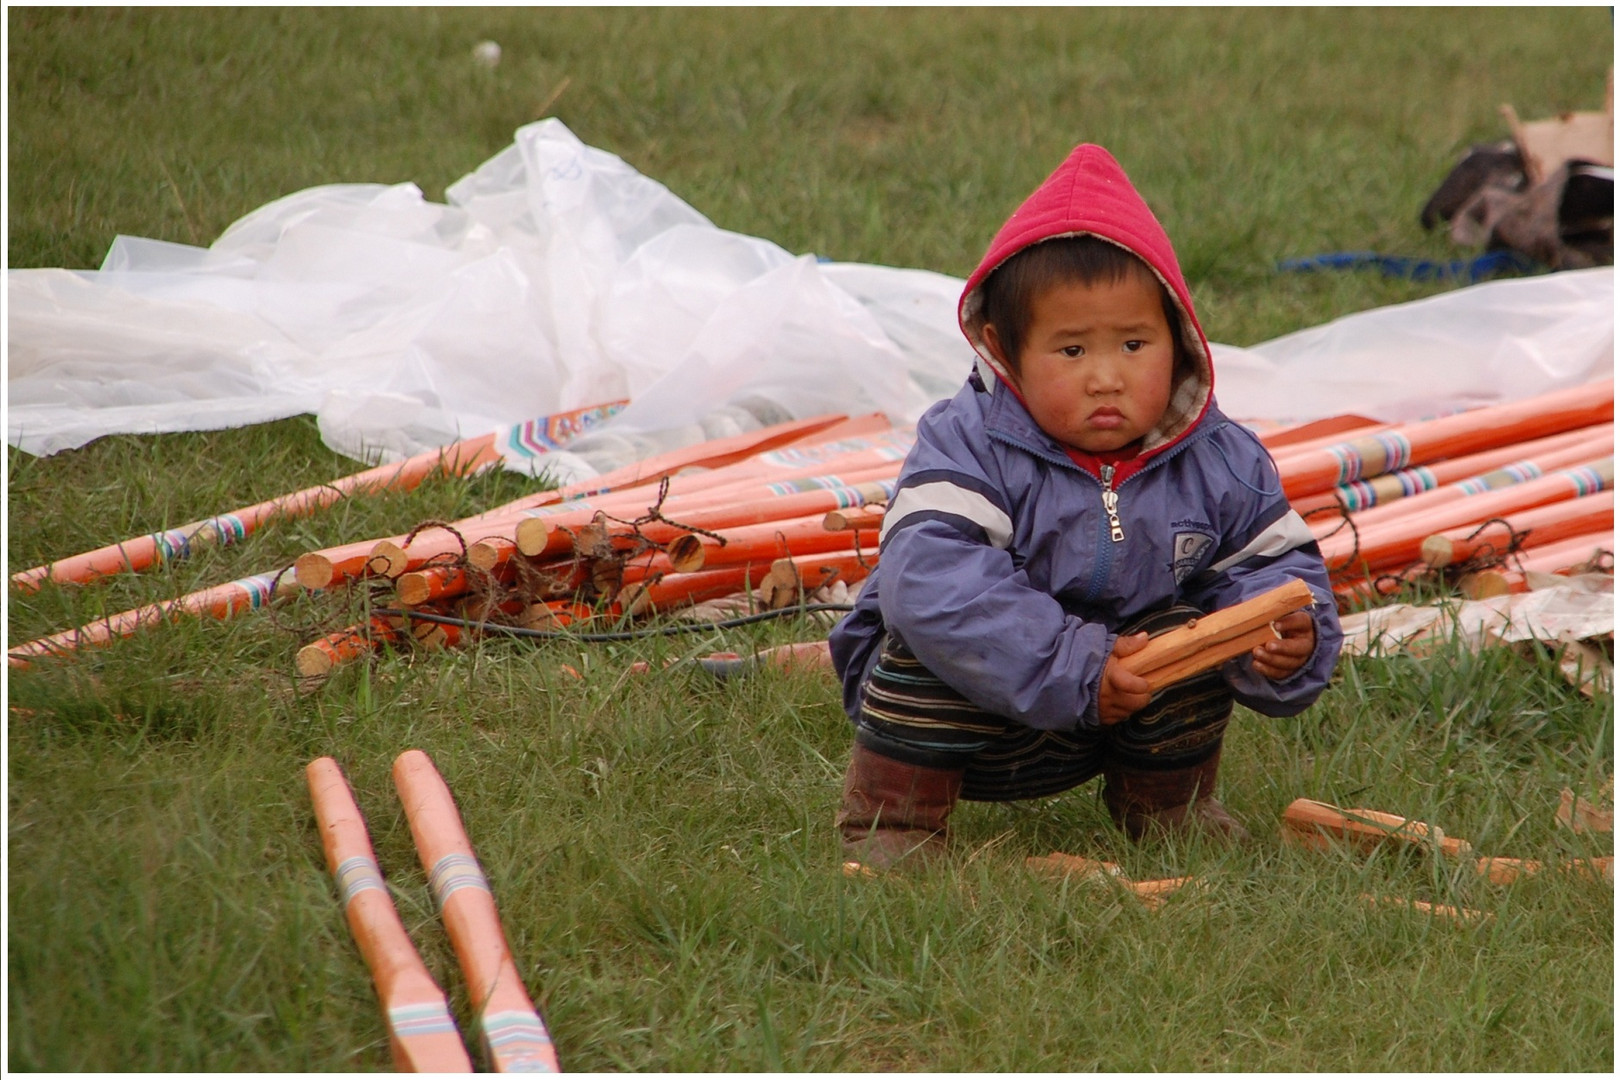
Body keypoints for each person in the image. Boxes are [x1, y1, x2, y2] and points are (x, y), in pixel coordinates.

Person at [828, 143, 1343, 869]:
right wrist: (1078, 663)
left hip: (1122, 711)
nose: (1107, 377)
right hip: (972, 718)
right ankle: (894, 827)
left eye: (1134, 343)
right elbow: (930, 579)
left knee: (1193, 633)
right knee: (921, 638)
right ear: (1005, 349)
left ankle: (1167, 811)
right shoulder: (967, 443)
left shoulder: (1220, 458)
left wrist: (1290, 637)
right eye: (1071, 352)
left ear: (1180, 338)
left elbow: (1274, 567)